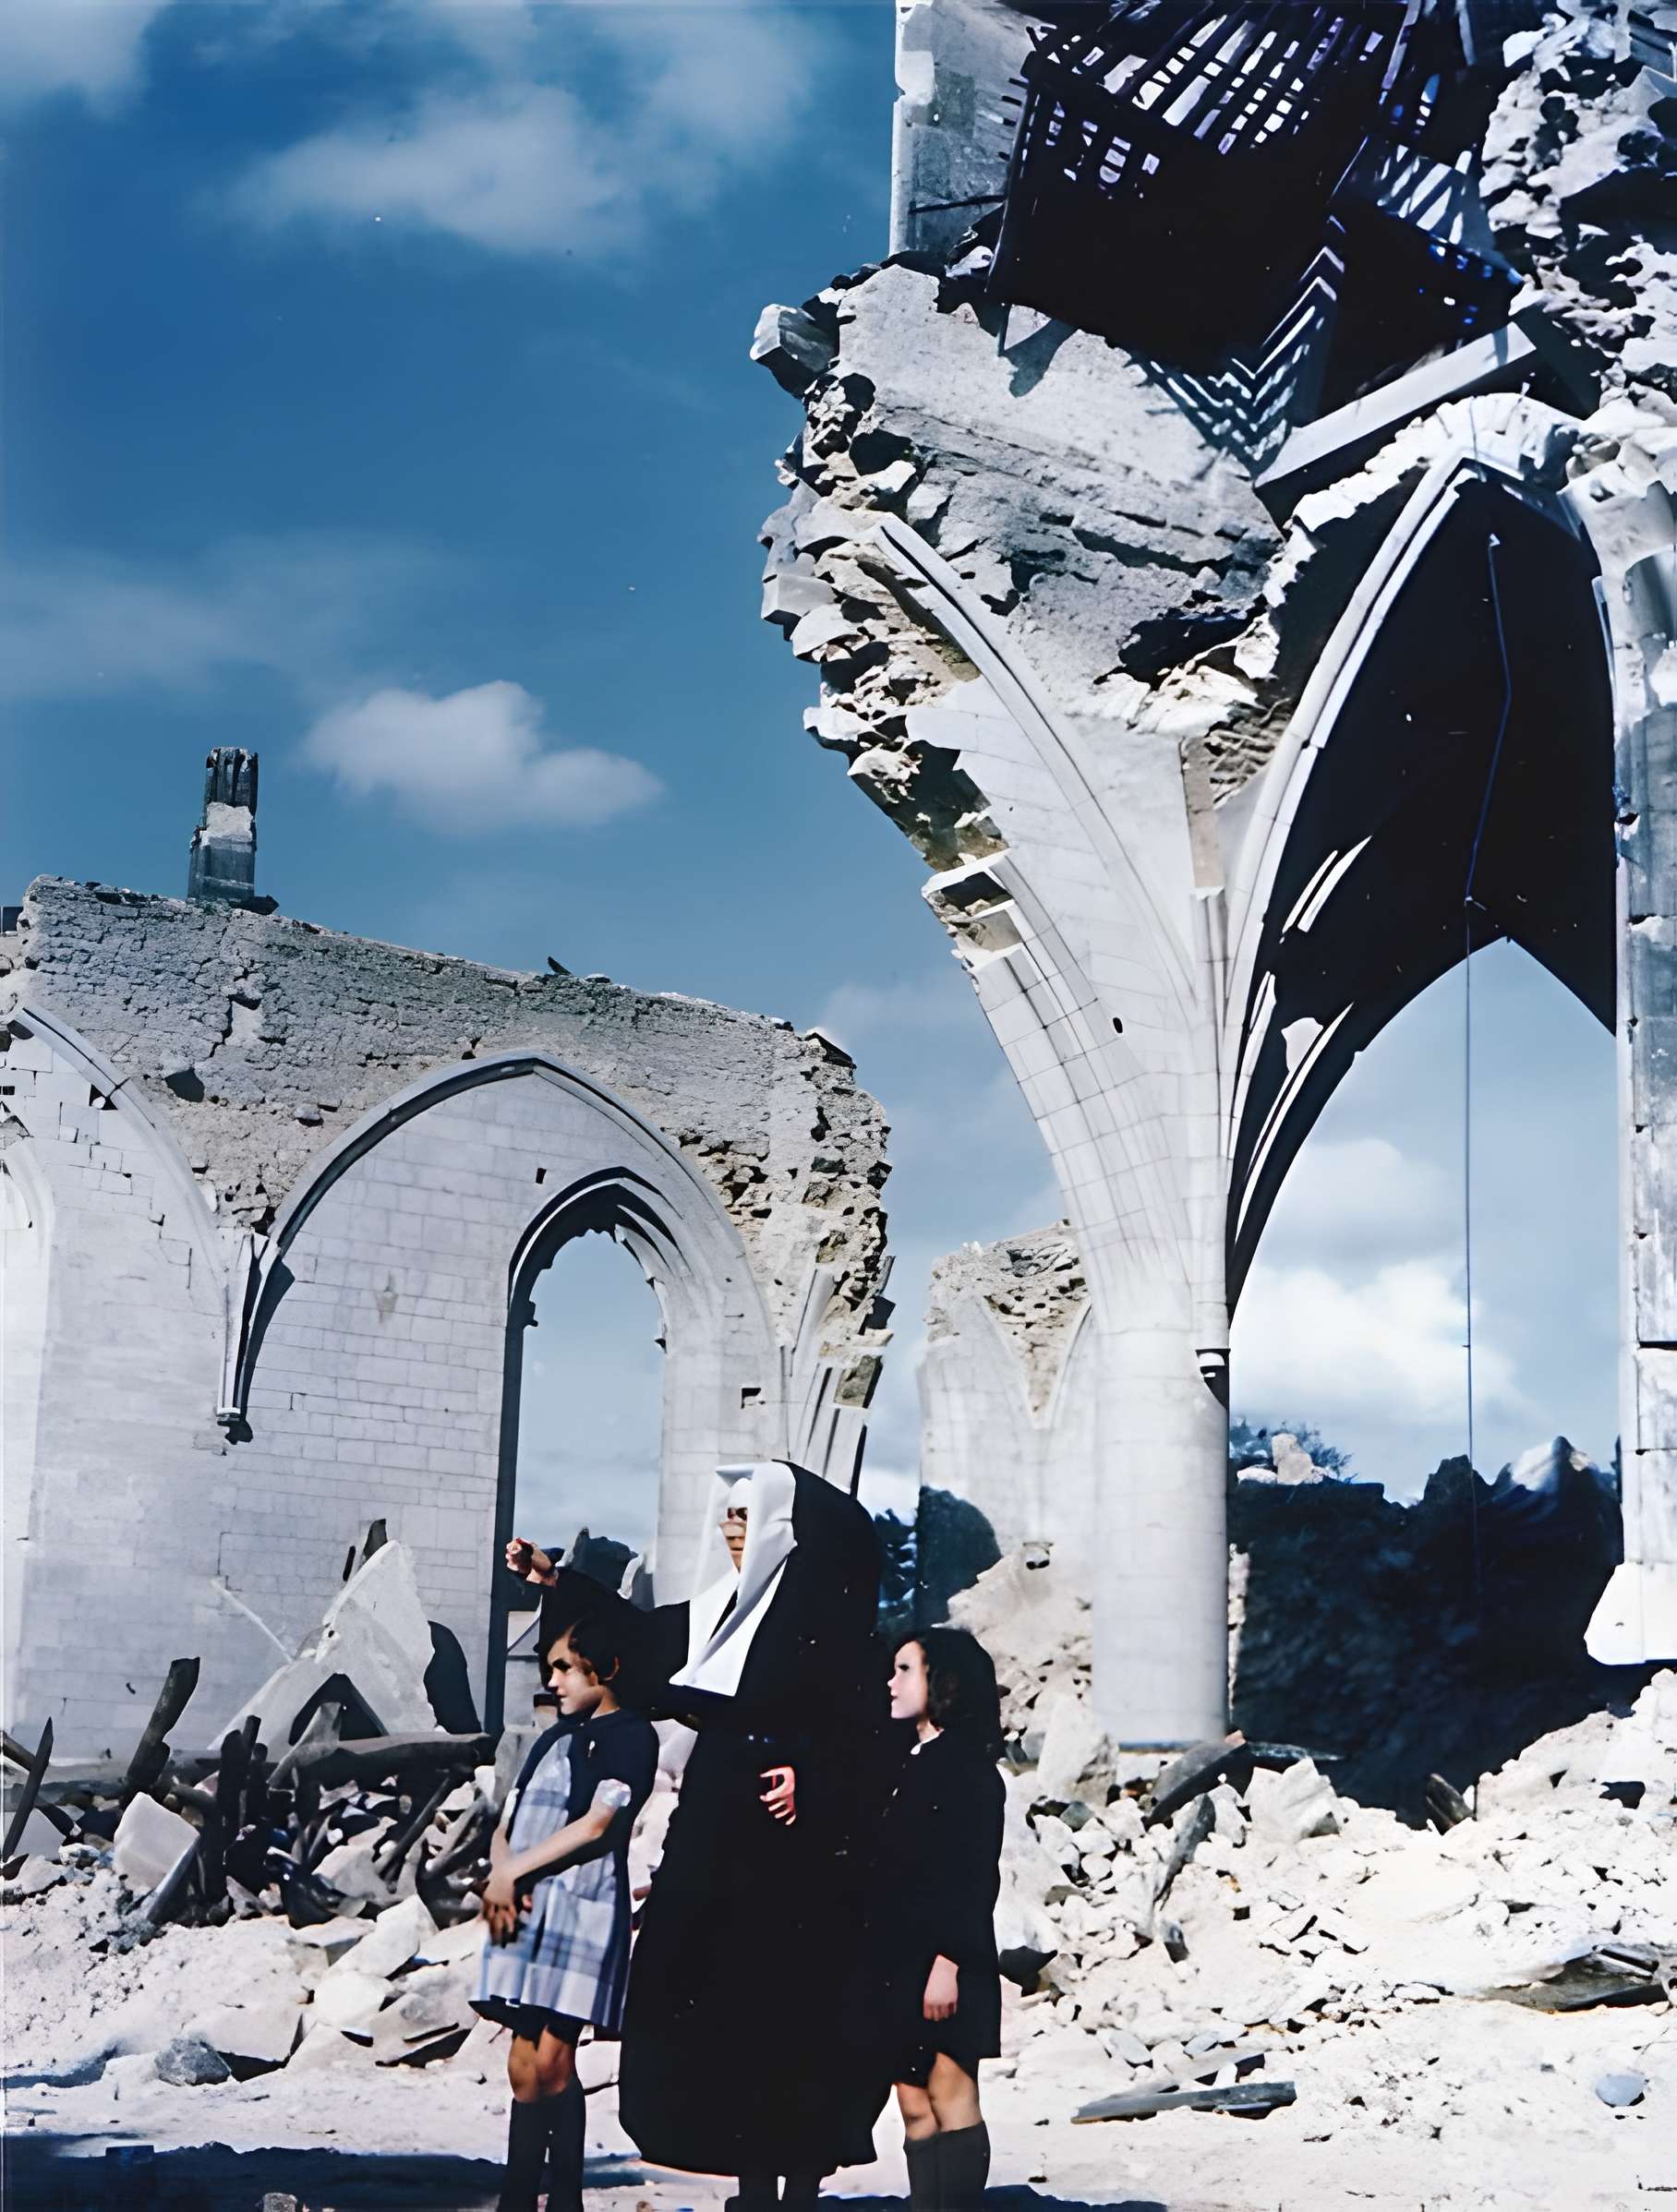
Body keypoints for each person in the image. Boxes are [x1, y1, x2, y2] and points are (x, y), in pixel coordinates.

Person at [507, 1459, 883, 2207]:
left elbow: (867, 1740)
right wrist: (560, 1586)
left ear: (786, 1527)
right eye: (728, 1516)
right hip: (718, 1831)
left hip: (800, 1860)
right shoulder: (720, 1611)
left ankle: (800, 2186)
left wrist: (811, 1773)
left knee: (794, 2014)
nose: (729, 1530)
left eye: (746, 1518)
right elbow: (636, 1645)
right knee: (717, 2002)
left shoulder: (836, 1626)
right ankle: (750, 2181)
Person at [474, 1605, 658, 2212]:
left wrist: (513, 1873)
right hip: (524, 1906)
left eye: (565, 1669)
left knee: (555, 2059)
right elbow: (509, 1815)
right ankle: (526, 2193)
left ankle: (554, 2197)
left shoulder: (631, 1736)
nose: (552, 1681)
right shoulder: (553, 1737)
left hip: (580, 1907)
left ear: (605, 1669)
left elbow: (599, 1822)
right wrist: (504, 1871)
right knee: (523, 2061)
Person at [865, 1628, 1006, 2212]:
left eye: (904, 1670)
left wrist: (948, 1963)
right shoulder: (905, 1760)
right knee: (913, 2102)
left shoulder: (968, 1769)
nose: (890, 1682)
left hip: (947, 1959)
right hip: (898, 1959)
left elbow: (975, 1877)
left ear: (941, 1681)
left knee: (951, 2093)